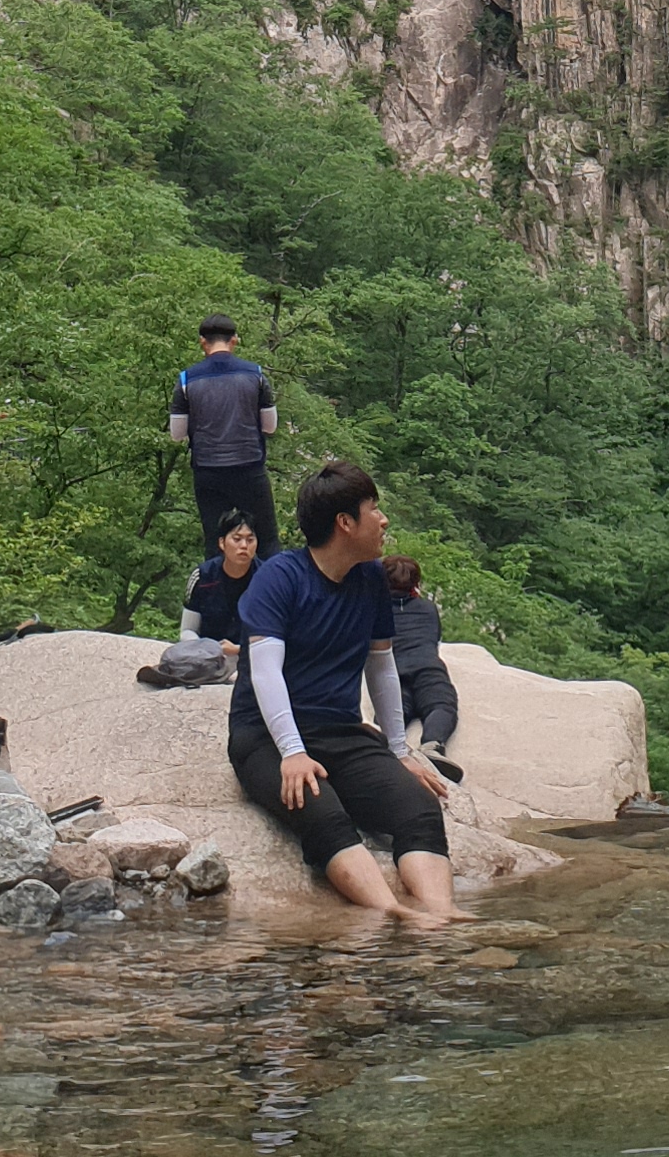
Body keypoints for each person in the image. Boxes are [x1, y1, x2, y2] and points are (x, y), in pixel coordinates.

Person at [227, 457, 462, 925]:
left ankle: (442, 916)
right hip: (266, 736)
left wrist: (398, 750)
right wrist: (292, 752)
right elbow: (266, 674)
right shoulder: (279, 578)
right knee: (322, 812)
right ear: (345, 523)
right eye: (373, 508)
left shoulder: (370, 578)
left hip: (341, 731)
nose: (383, 520)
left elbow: (382, 667)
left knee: (418, 808)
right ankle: (395, 914)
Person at [169, 313, 278, 561]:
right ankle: (271, 584)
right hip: (250, 467)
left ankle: (217, 585)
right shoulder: (256, 375)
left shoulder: (186, 380)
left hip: (208, 470)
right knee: (266, 540)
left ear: (202, 342)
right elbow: (270, 427)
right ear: (234, 340)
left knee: (216, 542)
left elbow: (177, 434)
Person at [137, 515, 258, 688]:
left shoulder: (267, 579)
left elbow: (276, 635)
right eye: (237, 539)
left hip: (252, 656)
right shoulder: (202, 576)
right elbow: (187, 630)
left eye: (250, 540)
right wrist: (211, 650)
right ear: (222, 543)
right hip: (205, 659)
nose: (244, 546)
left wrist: (239, 649)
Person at [383, 553, 462, 777]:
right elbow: (434, 638)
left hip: (392, 669)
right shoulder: (428, 608)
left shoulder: (374, 609)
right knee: (441, 705)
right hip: (427, 665)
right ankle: (431, 745)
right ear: (416, 583)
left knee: (397, 707)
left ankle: (390, 746)